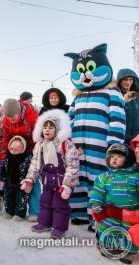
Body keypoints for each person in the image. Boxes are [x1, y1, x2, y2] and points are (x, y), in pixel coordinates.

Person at [65, 44, 126, 230]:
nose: (85, 75)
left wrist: (113, 145)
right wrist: (66, 140)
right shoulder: (78, 97)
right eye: (81, 70)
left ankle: (97, 218)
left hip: (99, 148)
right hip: (78, 147)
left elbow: (117, 119)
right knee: (78, 178)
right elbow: (69, 119)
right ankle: (79, 213)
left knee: (97, 182)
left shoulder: (112, 93)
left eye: (90, 69)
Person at [22, 109, 79, 239]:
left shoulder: (66, 144)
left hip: (62, 181)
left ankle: (59, 227)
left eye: (51, 127)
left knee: (60, 204)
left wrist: (67, 185)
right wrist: (30, 179)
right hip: (47, 179)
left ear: (57, 129)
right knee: (45, 201)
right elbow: (35, 163)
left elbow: (73, 165)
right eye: (45, 127)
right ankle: (45, 222)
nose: (47, 130)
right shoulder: (40, 145)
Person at [89, 144, 138, 263]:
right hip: (109, 214)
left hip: (129, 215)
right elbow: (98, 192)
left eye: (119, 156)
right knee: (106, 228)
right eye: (112, 156)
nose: (114, 159)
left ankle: (126, 251)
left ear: (128, 159)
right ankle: (107, 247)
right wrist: (96, 204)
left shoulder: (135, 177)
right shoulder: (104, 177)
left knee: (129, 233)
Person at [0, 98, 39, 217]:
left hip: (31, 150)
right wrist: (6, 153)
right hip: (15, 150)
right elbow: (6, 137)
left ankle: (34, 212)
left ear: (19, 112)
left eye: (13, 117)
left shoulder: (31, 116)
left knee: (32, 182)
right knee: (13, 181)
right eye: (8, 118)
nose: (11, 120)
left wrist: (35, 153)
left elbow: (38, 136)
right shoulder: (6, 120)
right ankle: (11, 210)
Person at [2, 135, 32, 221]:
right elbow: (3, 168)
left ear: (22, 149)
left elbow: (31, 170)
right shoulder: (7, 158)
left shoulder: (27, 158)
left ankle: (20, 213)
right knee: (8, 197)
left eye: (16, 150)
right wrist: (2, 179)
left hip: (22, 182)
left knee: (21, 198)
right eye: (11, 149)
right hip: (10, 182)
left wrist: (29, 181)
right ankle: (9, 211)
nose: (13, 151)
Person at [117, 69, 139, 145]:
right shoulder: (116, 95)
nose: (128, 82)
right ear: (120, 81)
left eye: (131, 79)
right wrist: (124, 101)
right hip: (122, 137)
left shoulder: (136, 95)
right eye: (125, 80)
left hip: (136, 138)